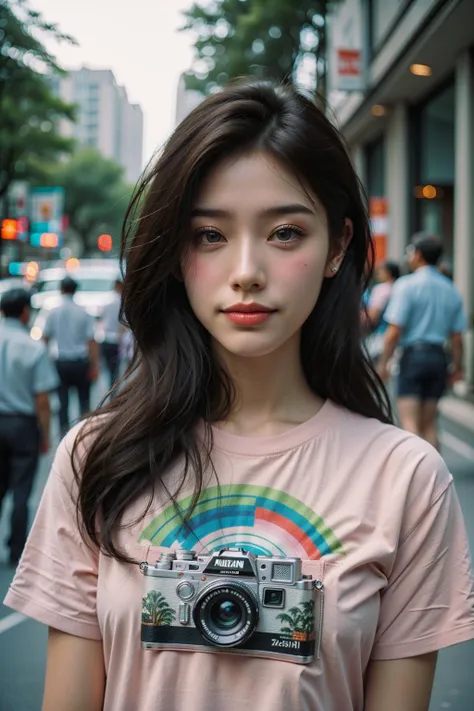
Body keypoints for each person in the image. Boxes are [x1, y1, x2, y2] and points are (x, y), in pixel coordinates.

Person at [4, 82, 474, 711]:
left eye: (285, 233)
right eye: (208, 236)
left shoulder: (408, 479)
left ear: (337, 246)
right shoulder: (96, 458)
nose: (246, 269)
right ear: (174, 253)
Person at [379, 233, 466, 449]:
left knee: (410, 424)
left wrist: (383, 364)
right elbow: (457, 337)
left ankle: (416, 480)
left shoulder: (406, 285)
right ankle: (436, 480)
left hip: (412, 357)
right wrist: (457, 366)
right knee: (430, 425)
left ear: (417, 255)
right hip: (438, 357)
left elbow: (393, 331)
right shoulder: (451, 289)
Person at [0, 288, 58, 565]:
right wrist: (44, 434)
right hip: (22, 425)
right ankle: (15, 549)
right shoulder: (33, 347)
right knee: (21, 491)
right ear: (25, 312)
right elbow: (42, 399)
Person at [43, 276, 99, 436]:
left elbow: (45, 338)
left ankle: (63, 435)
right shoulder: (84, 312)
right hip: (81, 362)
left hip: (60, 362)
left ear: (61, 289)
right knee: (84, 401)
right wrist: (94, 366)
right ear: (75, 290)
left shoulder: (53, 311)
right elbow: (91, 341)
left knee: (62, 403)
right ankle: (83, 433)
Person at [362, 261, 401, 361]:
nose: (378, 273)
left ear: (388, 272)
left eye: (381, 271)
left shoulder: (381, 289)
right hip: (399, 339)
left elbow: (372, 316)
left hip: (381, 336)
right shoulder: (400, 287)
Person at [100, 278, 124, 390]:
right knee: (115, 370)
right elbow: (123, 324)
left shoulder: (106, 301)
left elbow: (101, 319)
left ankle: (109, 390)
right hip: (116, 339)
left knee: (107, 369)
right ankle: (113, 391)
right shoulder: (122, 302)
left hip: (105, 338)